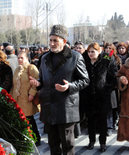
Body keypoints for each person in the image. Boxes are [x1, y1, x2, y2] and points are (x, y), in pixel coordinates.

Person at [29, 24, 89, 154]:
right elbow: (42, 79)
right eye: (50, 40)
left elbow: (85, 80)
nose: (51, 43)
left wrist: (69, 86)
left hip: (66, 108)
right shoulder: (44, 58)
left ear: (64, 41)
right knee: (53, 145)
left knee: (68, 145)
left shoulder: (75, 57)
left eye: (55, 40)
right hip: (49, 107)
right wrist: (38, 83)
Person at [80, 42, 118, 152]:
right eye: (89, 51)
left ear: (99, 51)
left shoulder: (107, 59)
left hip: (102, 97)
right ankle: (91, 141)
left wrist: (107, 89)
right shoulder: (84, 60)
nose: (91, 54)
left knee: (102, 122)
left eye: (93, 51)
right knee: (90, 121)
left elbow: (112, 76)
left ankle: (102, 143)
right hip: (88, 96)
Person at [11, 51, 41, 146]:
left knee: (29, 119)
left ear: (27, 58)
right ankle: (25, 138)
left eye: (22, 58)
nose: (20, 60)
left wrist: (32, 94)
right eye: (18, 58)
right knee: (20, 119)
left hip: (27, 99)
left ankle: (36, 139)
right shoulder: (17, 69)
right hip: (18, 99)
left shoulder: (31, 68)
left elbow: (37, 82)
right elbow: (14, 85)